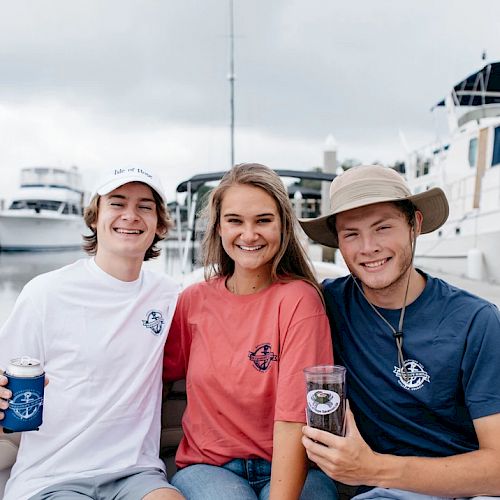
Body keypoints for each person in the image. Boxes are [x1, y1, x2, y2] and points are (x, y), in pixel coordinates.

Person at [299, 164, 500, 499]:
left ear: (414, 225)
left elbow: (497, 469)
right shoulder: (325, 305)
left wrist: (371, 467)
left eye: (383, 228)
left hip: (457, 491)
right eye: (351, 234)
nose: (368, 247)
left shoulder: (475, 321)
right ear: (337, 242)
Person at [0, 167, 184, 500]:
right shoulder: (45, 293)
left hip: (136, 471)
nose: (130, 215)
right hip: (51, 475)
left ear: (158, 223)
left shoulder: (172, 296)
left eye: (145, 206)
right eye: (117, 203)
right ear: (95, 216)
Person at [163, 163, 338, 499]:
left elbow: (294, 417)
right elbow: (154, 377)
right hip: (208, 468)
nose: (248, 234)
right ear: (217, 228)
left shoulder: (299, 300)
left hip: (296, 465)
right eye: (234, 221)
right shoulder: (193, 302)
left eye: (263, 220)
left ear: (283, 226)